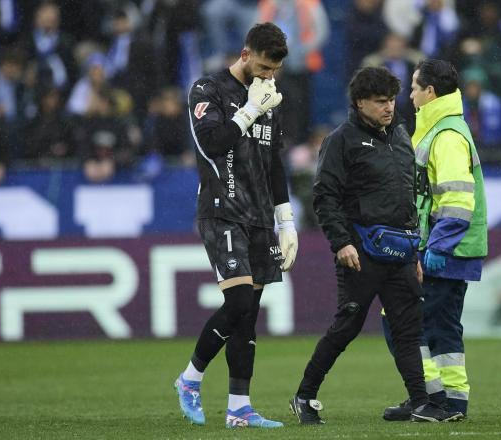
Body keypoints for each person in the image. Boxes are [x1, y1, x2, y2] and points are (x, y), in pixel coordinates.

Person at [288, 66, 464, 425]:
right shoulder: (342, 140)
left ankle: (421, 402)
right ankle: (304, 396)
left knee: (408, 329)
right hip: (360, 252)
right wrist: (341, 243)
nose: (389, 107)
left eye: (392, 100)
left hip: (400, 252)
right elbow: (325, 196)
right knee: (346, 327)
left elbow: (407, 199)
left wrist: (414, 250)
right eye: (380, 101)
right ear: (359, 103)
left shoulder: (400, 134)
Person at [173, 22, 298, 429]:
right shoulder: (207, 91)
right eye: (262, 67)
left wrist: (287, 219)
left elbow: (274, 161)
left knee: (248, 316)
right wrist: (249, 110)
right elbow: (212, 144)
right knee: (240, 302)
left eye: (274, 71)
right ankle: (190, 379)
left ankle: (239, 408)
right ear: (245, 55)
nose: (268, 77)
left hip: (261, 217)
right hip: (221, 208)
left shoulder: (271, 97)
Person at [382, 59, 488, 421]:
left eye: (413, 87)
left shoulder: (445, 136)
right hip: (445, 248)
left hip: (443, 250)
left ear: (430, 92)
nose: (408, 94)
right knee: (442, 329)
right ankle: (449, 402)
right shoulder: (442, 129)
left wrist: (436, 250)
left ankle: (432, 399)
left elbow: (458, 199)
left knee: (402, 321)